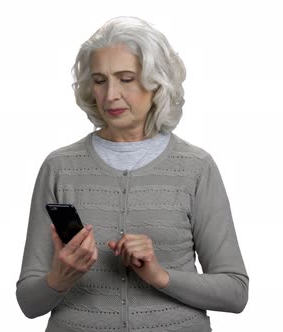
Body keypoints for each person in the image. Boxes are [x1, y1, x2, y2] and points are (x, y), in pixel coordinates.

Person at [16, 16, 248, 332]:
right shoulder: (60, 168)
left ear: (157, 83)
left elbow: (235, 293)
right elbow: (29, 304)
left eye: (126, 78)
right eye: (99, 80)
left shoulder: (195, 167)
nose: (110, 95)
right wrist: (60, 277)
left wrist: (159, 276)